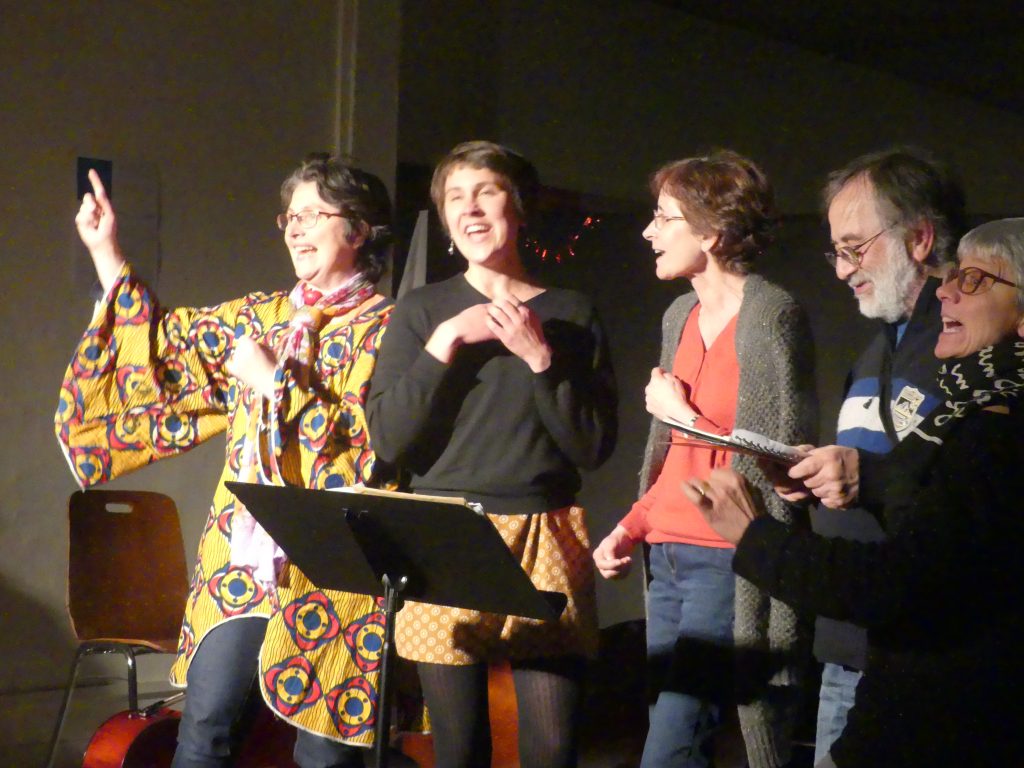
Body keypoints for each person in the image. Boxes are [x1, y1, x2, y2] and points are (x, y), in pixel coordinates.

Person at [55, 155, 396, 767]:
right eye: (289, 216)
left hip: (336, 567)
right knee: (204, 723)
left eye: (312, 214)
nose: (295, 228)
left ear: (360, 229)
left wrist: (274, 385)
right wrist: (106, 250)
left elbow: (369, 452)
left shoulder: (389, 331)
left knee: (325, 751)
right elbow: (164, 346)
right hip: (244, 556)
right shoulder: (261, 317)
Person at [688, 217, 1024, 767]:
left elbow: (898, 585)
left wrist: (754, 535)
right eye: (953, 276)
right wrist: (834, 481)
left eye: (974, 280)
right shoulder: (966, 407)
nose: (946, 291)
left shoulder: (997, 430)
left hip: (945, 725)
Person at [366, 140, 617, 768]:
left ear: (519, 206)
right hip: (444, 532)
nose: (470, 209)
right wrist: (447, 340)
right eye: (455, 197)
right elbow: (389, 439)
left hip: (544, 531)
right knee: (458, 749)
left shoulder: (570, 312)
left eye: (486, 192)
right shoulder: (423, 310)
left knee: (552, 748)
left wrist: (541, 359)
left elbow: (591, 446)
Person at [591, 150, 816, 768]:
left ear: (712, 233)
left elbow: (781, 463)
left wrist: (681, 414)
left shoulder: (772, 316)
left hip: (725, 558)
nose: (648, 232)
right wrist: (631, 525)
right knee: (676, 734)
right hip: (665, 557)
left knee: (672, 743)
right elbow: (672, 460)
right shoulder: (679, 315)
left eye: (664, 218)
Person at [784, 147, 966, 764]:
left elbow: (967, 496)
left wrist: (869, 476)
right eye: (836, 252)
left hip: (924, 653)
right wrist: (814, 477)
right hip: (849, 642)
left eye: (855, 248)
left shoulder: (970, 348)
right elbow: (868, 464)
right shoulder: (874, 350)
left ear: (920, 238)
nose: (842, 270)